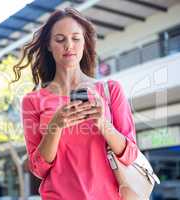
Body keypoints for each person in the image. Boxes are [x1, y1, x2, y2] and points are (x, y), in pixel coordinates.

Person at [11, 8, 138, 200]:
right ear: (48, 45)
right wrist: (55, 126)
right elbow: (38, 169)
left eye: (76, 38)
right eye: (60, 40)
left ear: (84, 42)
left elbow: (131, 155)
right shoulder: (33, 101)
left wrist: (103, 123)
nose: (68, 45)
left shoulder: (110, 90)